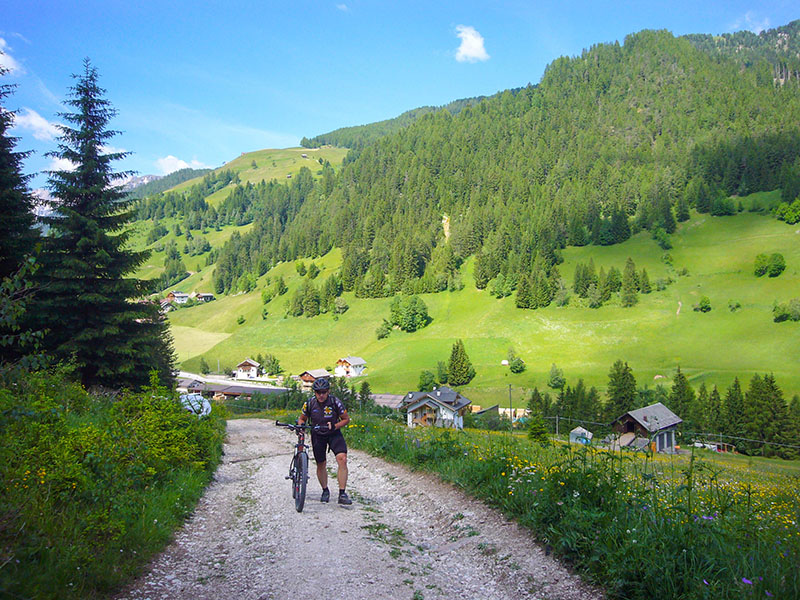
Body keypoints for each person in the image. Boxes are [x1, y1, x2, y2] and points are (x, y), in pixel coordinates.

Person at [298, 377, 352, 505]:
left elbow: (346, 419)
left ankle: (342, 493)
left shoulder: (335, 402)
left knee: (342, 458)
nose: (321, 395)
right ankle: (325, 490)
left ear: (328, 392)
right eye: (318, 392)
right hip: (317, 435)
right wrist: (301, 427)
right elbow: (302, 418)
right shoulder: (310, 403)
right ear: (314, 392)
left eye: (323, 392)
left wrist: (335, 426)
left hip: (334, 433)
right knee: (321, 463)